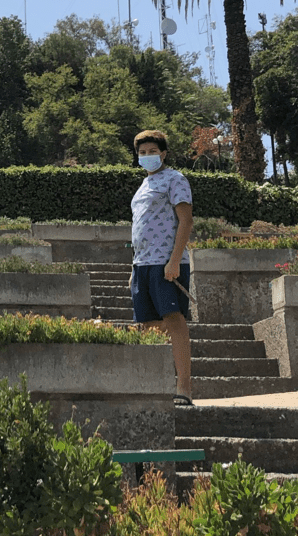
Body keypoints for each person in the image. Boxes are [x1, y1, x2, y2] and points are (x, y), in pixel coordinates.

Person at [130, 129, 194, 406]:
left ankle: (184, 388)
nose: (147, 156)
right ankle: (157, 385)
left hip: (166, 262)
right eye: (142, 153)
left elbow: (186, 221)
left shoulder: (175, 179)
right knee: (148, 324)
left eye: (152, 152)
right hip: (142, 264)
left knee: (173, 320)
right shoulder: (142, 186)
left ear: (164, 154)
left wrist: (174, 260)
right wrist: (133, 268)